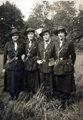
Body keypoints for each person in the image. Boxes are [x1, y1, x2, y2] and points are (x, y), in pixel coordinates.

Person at [54, 26, 76, 109]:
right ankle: (62, 102)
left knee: (67, 84)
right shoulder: (55, 43)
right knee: (60, 84)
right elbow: (54, 54)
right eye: (59, 33)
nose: (60, 34)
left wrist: (70, 64)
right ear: (57, 34)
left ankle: (67, 102)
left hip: (67, 65)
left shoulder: (69, 42)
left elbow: (73, 55)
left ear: (64, 34)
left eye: (62, 32)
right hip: (58, 65)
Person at [3, 29, 25, 100]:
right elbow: (4, 56)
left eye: (16, 35)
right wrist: (4, 67)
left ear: (18, 36)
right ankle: (12, 96)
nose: (15, 37)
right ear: (11, 37)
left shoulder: (22, 44)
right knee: (11, 81)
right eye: (13, 35)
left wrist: (24, 55)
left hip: (19, 66)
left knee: (18, 81)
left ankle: (17, 95)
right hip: (10, 66)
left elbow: (24, 53)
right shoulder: (7, 44)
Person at [37, 28, 56, 98]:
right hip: (41, 66)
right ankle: (43, 96)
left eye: (46, 34)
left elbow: (56, 56)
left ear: (49, 35)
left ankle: (50, 96)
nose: (45, 36)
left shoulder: (53, 44)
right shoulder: (40, 44)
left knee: (50, 82)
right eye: (43, 35)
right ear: (42, 36)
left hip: (50, 66)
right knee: (42, 82)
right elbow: (38, 55)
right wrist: (38, 60)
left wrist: (52, 63)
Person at [23, 28, 39, 95]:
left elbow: (39, 53)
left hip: (34, 62)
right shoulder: (25, 43)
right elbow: (23, 52)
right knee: (28, 78)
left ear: (34, 34)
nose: (30, 35)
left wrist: (36, 59)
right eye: (29, 34)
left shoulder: (37, 43)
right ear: (27, 35)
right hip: (27, 63)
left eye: (31, 34)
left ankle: (35, 92)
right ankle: (28, 92)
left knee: (34, 78)